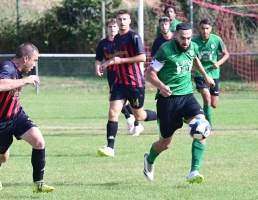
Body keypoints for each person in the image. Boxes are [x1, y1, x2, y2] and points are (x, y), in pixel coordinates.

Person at [144, 23, 215, 184]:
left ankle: (194, 171)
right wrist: (161, 86)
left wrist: (205, 76)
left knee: (201, 127)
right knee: (165, 144)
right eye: (182, 38)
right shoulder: (165, 50)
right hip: (167, 100)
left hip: (187, 96)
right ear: (175, 35)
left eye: (189, 38)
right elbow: (149, 74)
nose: (186, 41)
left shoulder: (193, 46)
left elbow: (194, 58)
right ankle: (149, 159)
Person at [0, 43, 55, 193]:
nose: (35, 65)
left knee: (39, 141)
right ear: (26, 58)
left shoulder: (19, 70)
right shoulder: (7, 67)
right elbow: (0, 85)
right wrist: (25, 80)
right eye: (34, 61)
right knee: (2, 158)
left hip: (16, 116)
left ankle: (38, 183)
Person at [97, 9, 157, 157]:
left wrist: (121, 61)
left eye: (125, 19)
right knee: (113, 112)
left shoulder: (134, 37)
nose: (122, 22)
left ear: (129, 21)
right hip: (119, 82)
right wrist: (106, 64)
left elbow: (142, 58)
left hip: (135, 83)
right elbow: (117, 57)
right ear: (116, 21)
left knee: (140, 116)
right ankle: (110, 148)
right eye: (119, 19)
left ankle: (162, 114)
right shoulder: (116, 39)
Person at [95, 18, 143, 135]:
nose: (112, 29)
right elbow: (98, 58)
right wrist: (98, 67)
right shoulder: (103, 43)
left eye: (114, 26)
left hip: (122, 74)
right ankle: (134, 122)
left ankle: (132, 120)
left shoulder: (122, 42)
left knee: (118, 100)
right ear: (107, 28)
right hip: (111, 75)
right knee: (118, 101)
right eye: (110, 26)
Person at [192, 19, 229, 134]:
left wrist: (218, 63)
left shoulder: (216, 40)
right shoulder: (194, 42)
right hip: (200, 74)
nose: (205, 31)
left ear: (211, 29)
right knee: (206, 97)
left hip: (214, 74)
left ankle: (202, 116)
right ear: (199, 28)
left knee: (213, 104)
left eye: (207, 28)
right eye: (202, 28)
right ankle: (208, 127)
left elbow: (226, 54)